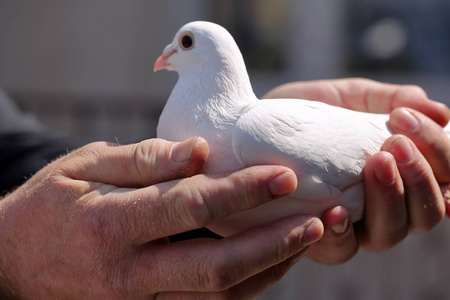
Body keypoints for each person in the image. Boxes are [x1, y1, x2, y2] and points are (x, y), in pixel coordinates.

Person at [0, 78, 448, 299]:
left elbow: (14, 150)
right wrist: (12, 248)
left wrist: (134, 218)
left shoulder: (255, 127)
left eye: (185, 45)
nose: (169, 53)